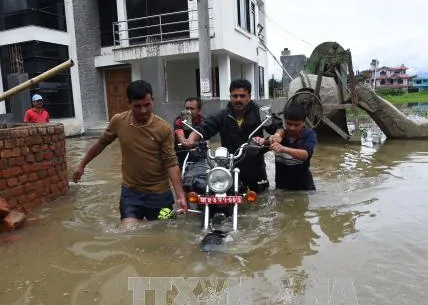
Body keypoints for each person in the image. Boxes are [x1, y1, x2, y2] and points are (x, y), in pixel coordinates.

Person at [72, 80, 188, 227]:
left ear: (153, 100)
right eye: (137, 106)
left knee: (163, 231)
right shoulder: (119, 121)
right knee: (128, 232)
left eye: (147, 105)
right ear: (128, 103)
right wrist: (82, 164)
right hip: (131, 193)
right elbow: (101, 144)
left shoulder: (163, 128)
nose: (143, 111)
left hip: (159, 195)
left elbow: (171, 163)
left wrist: (180, 196)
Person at [183, 79, 285, 193]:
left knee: (261, 200)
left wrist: (277, 135)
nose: (238, 99)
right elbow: (203, 128)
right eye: (235, 96)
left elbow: (278, 126)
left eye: (242, 96)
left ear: (249, 96)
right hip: (230, 165)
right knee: (226, 198)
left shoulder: (259, 112)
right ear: (230, 96)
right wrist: (191, 139)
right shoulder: (222, 115)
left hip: (255, 166)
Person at [270, 103, 317, 191]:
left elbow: (305, 155)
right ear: (284, 121)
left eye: (296, 125)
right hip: (281, 187)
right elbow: (266, 143)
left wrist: (284, 149)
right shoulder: (280, 135)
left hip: (304, 188)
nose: (292, 128)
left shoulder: (309, 135)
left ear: (303, 122)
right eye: (289, 124)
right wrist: (263, 140)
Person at [173, 97, 205, 168]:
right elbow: (179, 132)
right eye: (187, 108)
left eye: (192, 109)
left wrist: (192, 140)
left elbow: (201, 134)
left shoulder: (203, 121)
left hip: (199, 155)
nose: (189, 111)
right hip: (181, 154)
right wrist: (184, 141)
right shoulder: (179, 120)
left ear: (198, 110)